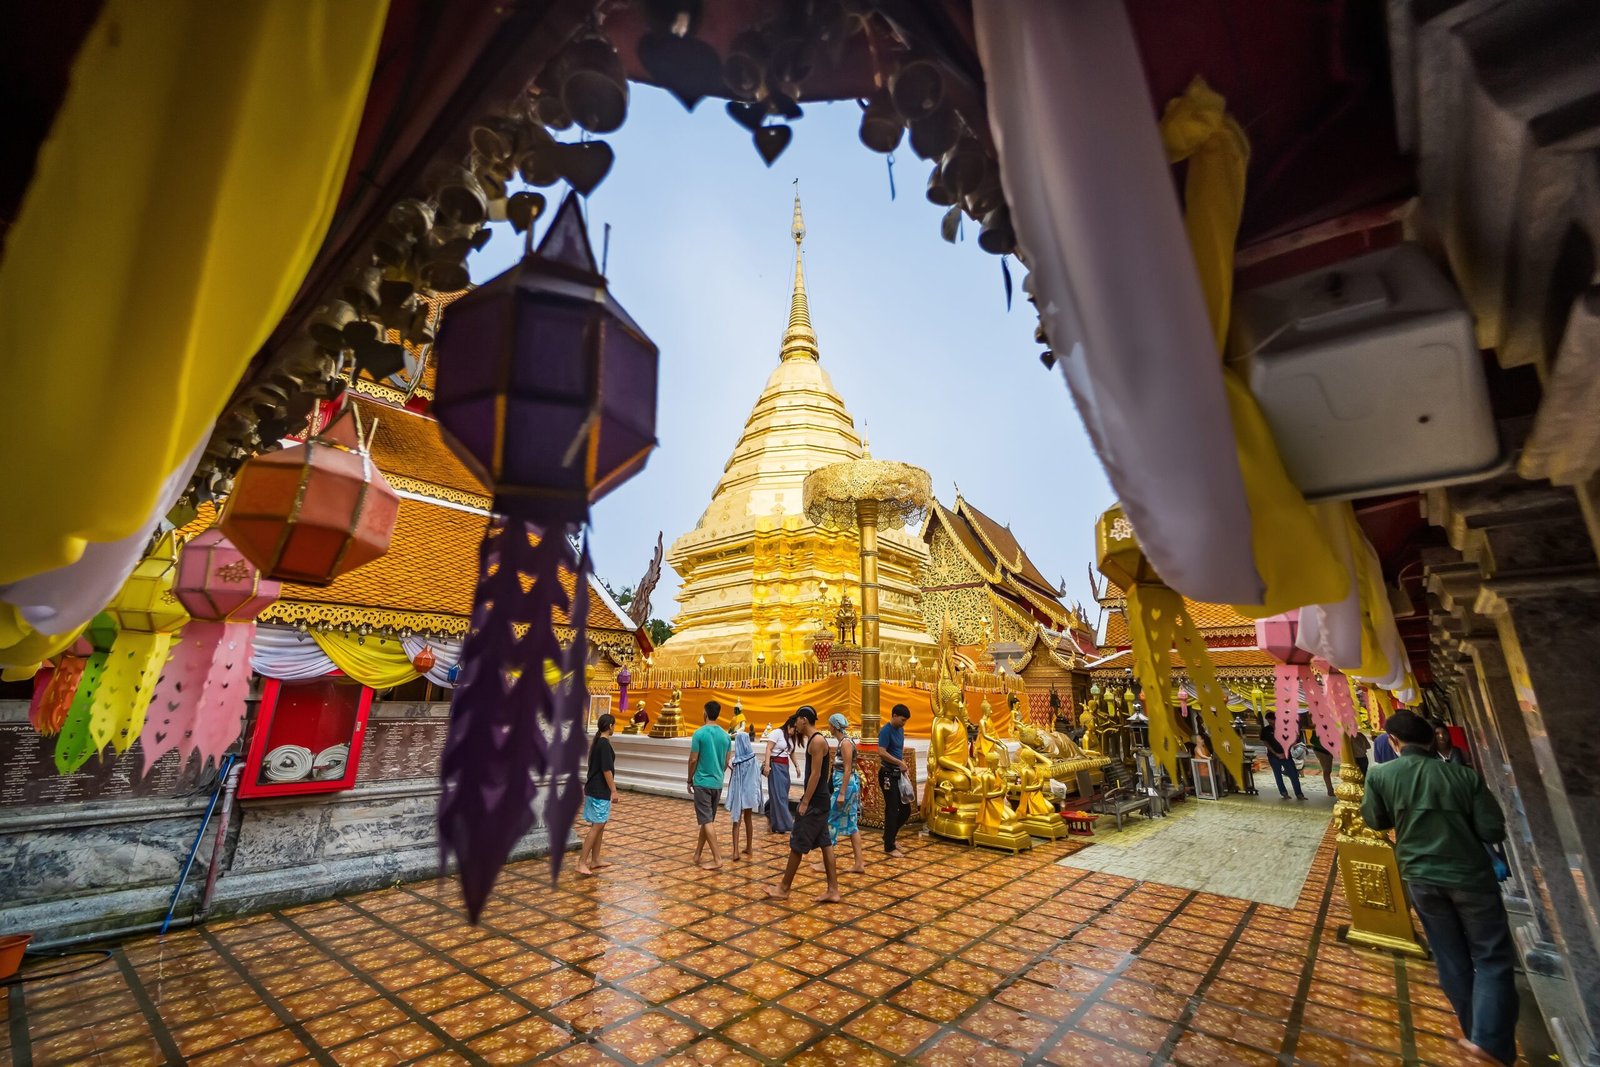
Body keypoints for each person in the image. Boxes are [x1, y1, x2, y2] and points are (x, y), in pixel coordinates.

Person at [1363, 709, 1515, 1065]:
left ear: (1393, 743)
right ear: (1434, 740)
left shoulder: (1382, 776)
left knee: (1450, 957)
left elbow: (1375, 819)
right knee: (1491, 957)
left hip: (1419, 875)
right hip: (1470, 877)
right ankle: (1488, 1040)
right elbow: (1493, 830)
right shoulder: (1463, 777)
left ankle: (1475, 1033)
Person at [765, 706, 840, 903]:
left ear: (804, 720)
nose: (795, 724)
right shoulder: (816, 740)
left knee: (797, 842)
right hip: (820, 799)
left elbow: (815, 775)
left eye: (797, 720)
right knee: (825, 843)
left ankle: (784, 887)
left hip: (815, 800)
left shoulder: (816, 741)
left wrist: (805, 801)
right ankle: (833, 889)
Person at [687, 701, 732, 870]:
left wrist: (689, 779)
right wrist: (718, 774)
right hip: (717, 782)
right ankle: (698, 853)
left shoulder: (699, 733)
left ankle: (717, 858)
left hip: (702, 781)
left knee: (706, 820)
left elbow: (693, 759)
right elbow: (727, 761)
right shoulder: (725, 736)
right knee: (708, 820)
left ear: (705, 713)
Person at [821, 713, 866, 875]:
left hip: (845, 787)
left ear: (834, 726)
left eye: (829, 724)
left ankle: (825, 861)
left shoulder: (846, 743)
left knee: (831, 821)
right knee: (852, 824)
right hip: (847, 786)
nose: (828, 727)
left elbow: (848, 769)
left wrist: (841, 793)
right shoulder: (844, 742)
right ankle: (859, 863)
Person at [577, 714, 618, 876]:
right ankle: (581, 862)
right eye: (614, 725)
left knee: (600, 824)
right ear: (610, 726)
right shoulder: (604, 744)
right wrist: (614, 790)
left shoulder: (598, 743)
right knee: (597, 826)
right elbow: (606, 769)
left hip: (596, 788)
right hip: (599, 790)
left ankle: (595, 859)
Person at [877, 704, 913, 857]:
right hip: (887, 774)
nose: (904, 723)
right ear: (894, 715)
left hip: (898, 773)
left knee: (905, 809)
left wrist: (903, 765)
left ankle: (889, 836)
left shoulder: (901, 730)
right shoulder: (886, 731)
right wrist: (899, 763)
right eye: (902, 720)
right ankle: (889, 846)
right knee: (892, 809)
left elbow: (898, 751)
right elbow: (881, 752)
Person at [725, 719, 762, 861]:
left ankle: (735, 851)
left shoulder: (736, 759)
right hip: (750, 793)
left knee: (736, 821)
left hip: (738, 793)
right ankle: (749, 846)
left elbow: (730, 766)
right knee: (748, 819)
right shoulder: (753, 758)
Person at [762, 714, 796, 834]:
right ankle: (786, 824)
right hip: (775, 766)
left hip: (785, 767)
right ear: (789, 726)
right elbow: (768, 749)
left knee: (780, 794)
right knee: (779, 795)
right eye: (793, 729)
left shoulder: (791, 737)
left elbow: (791, 752)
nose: (794, 732)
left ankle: (769, 811)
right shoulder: (777, 733)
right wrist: (767, 765)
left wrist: (796, 766)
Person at [1262, 712, 1306, 800]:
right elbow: (1266, 743)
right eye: (1269, 722)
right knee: (1278, 775)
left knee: (1294, 774)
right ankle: (1284, 793)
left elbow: (1292, 740)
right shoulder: (1266, 730)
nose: (1271, 724)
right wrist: (1276, 753)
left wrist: (1286, 752)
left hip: (1286, 755)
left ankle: (1299, 794)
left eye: (1272, 722)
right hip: (1273, 756)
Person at [1303, 710, 1335, 794]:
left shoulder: (1323, 725)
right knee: (1327, 770)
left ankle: (1330, 789)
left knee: (1328, 770)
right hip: (1322, 749)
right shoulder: (1318, 725)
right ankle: (1330, 789)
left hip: (1324, 749)